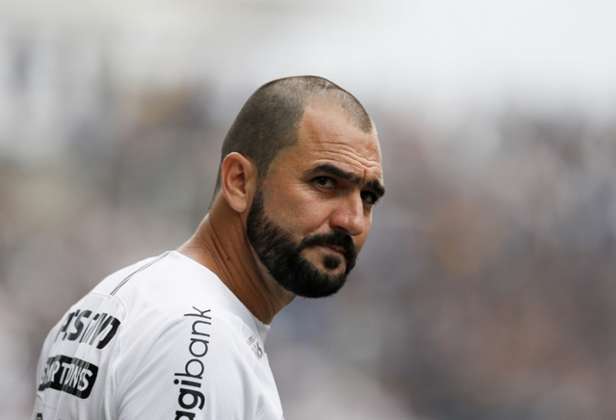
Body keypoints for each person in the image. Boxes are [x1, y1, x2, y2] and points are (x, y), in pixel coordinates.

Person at [31, 75, 385, 420]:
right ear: (239, 181)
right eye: (324, 182)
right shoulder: (202, 337)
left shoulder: (104, 303)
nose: (352, 220)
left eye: (367, 197)